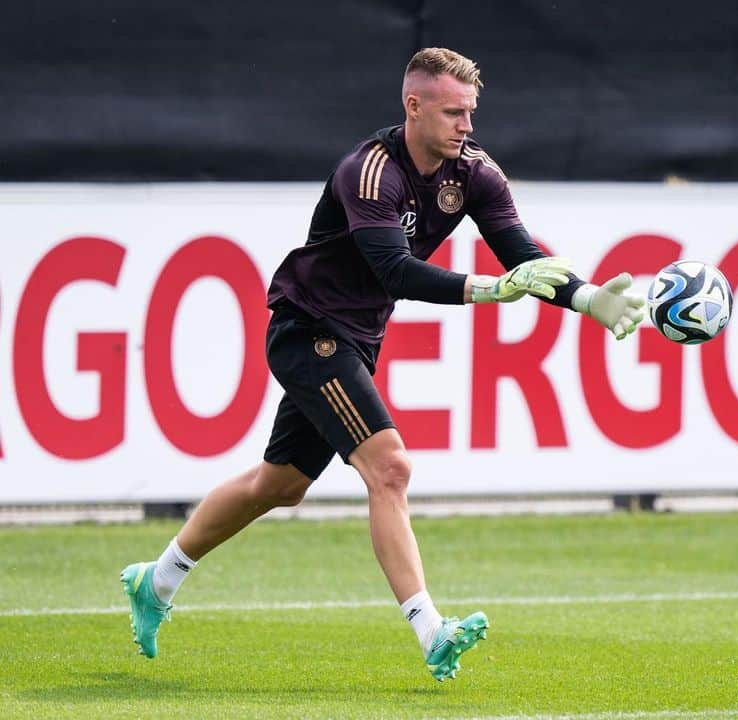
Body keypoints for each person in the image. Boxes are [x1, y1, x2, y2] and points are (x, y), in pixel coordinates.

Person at [120, 47, 645, 682]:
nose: (466, 126)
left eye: (471, 113)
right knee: (390, 466)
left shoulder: (475, 172)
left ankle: (157, 579)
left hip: (358, 337)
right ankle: (431, 632)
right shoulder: (369, 172)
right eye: (453, 113)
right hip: (307, 328)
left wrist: (588, 298)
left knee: (280, 485)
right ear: (413, 106)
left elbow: (520, 255)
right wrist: (487, 290)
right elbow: (394, 269)